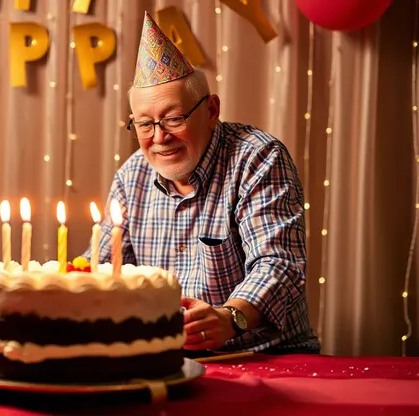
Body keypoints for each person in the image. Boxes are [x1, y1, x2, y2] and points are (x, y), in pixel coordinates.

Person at [82, 11, 320, 355]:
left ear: (211, 111)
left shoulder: (257, 157)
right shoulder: (131, 176)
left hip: (262, 356)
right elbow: (103, 269)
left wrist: (229, 317)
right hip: (168, 361)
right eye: (145, 124)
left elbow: (278, 264)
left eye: (173, 118)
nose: (159, 137)